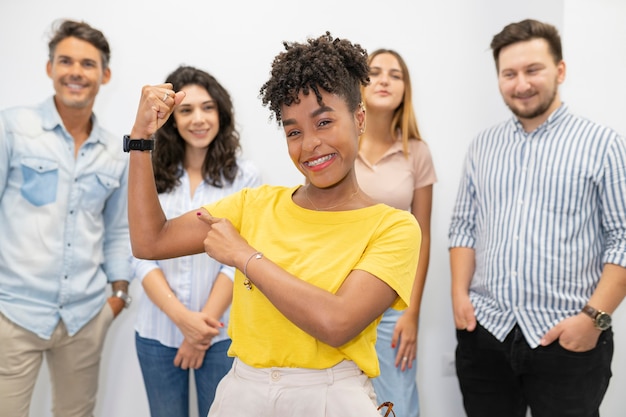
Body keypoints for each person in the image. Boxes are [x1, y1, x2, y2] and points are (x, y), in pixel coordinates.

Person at [126, 32, 421, 417]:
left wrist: (245, 256)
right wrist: (140, 138)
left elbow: (337, 322)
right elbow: (150, 241)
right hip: (242, 395)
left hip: (333, 398)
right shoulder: (255, 204)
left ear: (359, 118)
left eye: (325, 121)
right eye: (293, 131)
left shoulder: (393, 227)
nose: (310, 143)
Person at [448, 18, 626, 417]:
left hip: (568, 338)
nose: (521, 83)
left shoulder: (603, 145)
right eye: (509, 73)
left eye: (533, 70)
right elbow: (463, 226)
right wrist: (460, 297)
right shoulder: (483, 146)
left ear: (560, 71)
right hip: (486, 335)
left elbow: (624, 238)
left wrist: (592, 320)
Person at [0, 19, 131, 417]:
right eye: (66, 61)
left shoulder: (116, 150)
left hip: (85, 317)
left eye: (88, 64)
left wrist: (118, 298)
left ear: (105, 75)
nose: (76, 72)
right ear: (50, 68)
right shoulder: (13, 128)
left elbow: (118, 230)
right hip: (13, 313)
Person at [132, 65, 261, 417]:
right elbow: (140, 253)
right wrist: (181, 318)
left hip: (219, 335)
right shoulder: (148, 173)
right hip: (157, 332)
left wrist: (200, 326)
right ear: (171, 118)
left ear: (221, 112)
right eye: (186, 110)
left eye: (207, 107)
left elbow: (239, 258)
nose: (198, 119)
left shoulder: (246, 176)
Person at [355, 48, 436, 417]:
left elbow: (423, 235)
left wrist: (412, 312)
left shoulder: (416, 153)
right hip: (339, 297)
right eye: (375, 71)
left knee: (396, 406)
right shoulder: (337, 146)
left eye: (396, 74)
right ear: (359, 84)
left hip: (392, 305)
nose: (385, 79)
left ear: (406, 90)